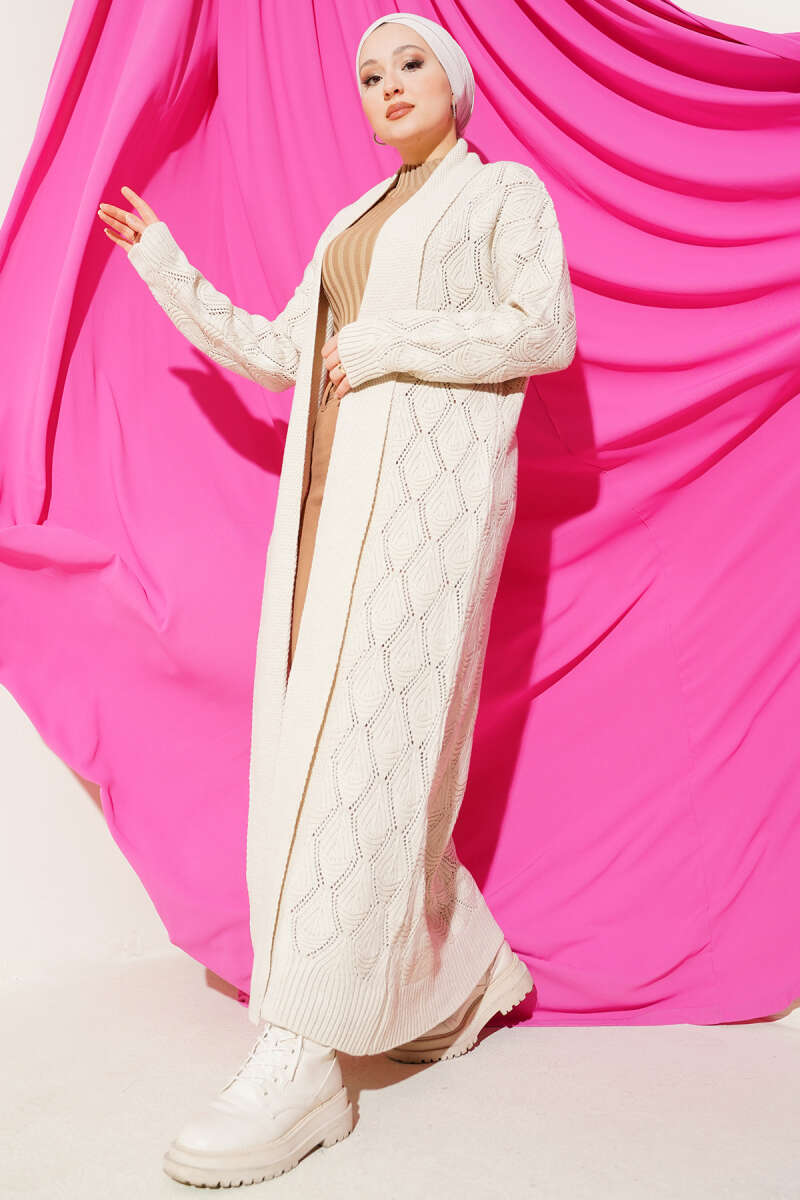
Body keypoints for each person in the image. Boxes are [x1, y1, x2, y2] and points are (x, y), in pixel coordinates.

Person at [97, 11, 576, 1188]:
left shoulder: (499, 194)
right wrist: (166, 265)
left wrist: (387, 338)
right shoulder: (350, 222)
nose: (388, 84)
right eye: (368, 75)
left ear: (452, 83)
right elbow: (283, 353)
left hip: (422, 524)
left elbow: (544, 329)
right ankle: (457, 979)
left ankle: (304, 1058)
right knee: (327, 763)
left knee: (368, 762)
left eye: (409, 63)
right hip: (327, 519)